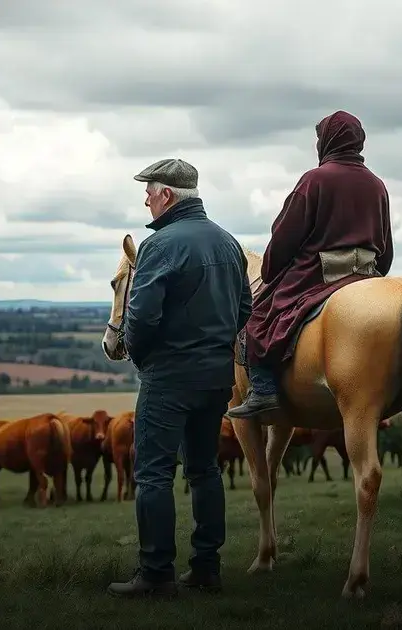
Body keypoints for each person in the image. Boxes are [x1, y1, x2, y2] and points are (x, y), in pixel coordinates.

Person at [107, 158, 252, 598]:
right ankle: (207, 568)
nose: (146, 201)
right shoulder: (229, 243)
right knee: (205, 470)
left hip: (168, 378)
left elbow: (142, 316)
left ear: (166, 195)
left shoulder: (159, 246)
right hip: (215, 380)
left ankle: (155, 574)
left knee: (152, 475)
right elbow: (245, 307)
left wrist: (146, 359)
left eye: (149, 193)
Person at [225, 111, 394, 420]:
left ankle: (263, 390)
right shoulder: (377, 184)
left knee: (257, 317)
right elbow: (386, 250)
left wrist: (270, 270)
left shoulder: (315, 180)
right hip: (366, 275)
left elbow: (285, 236)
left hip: (317, 276)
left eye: (320, 138)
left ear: (328, 141)